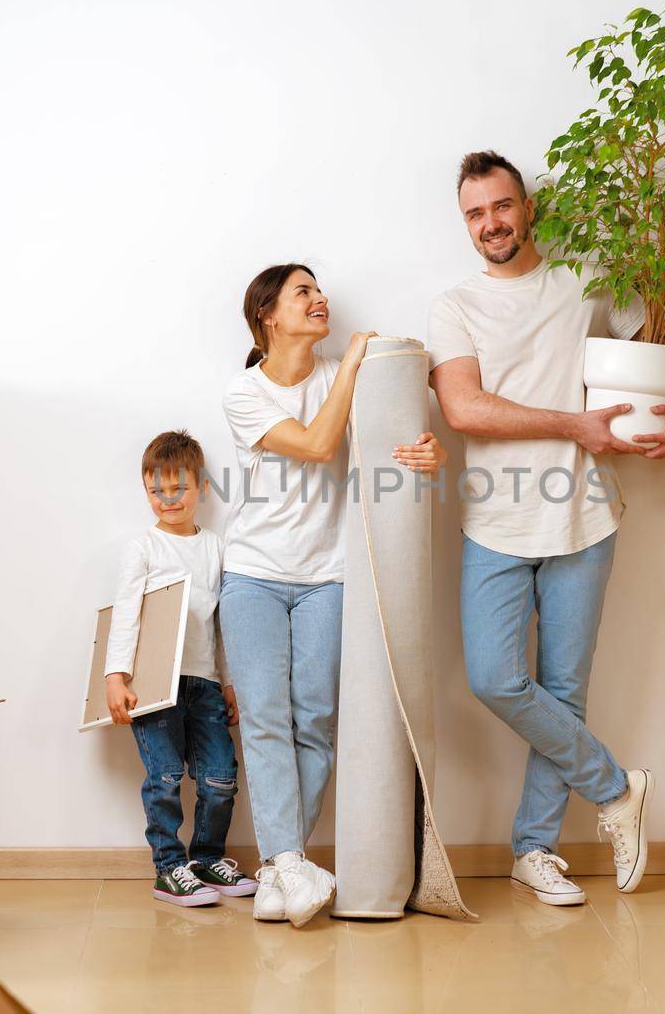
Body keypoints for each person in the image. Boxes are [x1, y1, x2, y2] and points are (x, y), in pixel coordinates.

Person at [426, 150, 665, 906]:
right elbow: (464, 408)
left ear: (528, 207)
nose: (492, 222)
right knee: (493, 678)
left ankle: (535, 849)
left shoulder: (585, 284)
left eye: (502, 205)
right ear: (467, 223)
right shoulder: (454, 305)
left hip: (586, 516)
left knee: (563, 691)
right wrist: (572, 424)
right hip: (495, 522)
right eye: (476, 213)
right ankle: (617, 790)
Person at [219, 263, 446, 927]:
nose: (320, 300)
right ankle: (289, 861)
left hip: (327, 577)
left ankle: (278, 871)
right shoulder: (244, 391)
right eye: (303, 292)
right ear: (268, 315)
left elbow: (386, 448)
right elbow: (318, 444)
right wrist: (351, 360)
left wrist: (429, 452)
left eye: (320, 291)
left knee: (314, 722)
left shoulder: (344, 379)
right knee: (265, 719)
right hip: (254, 574)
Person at [104, 430, 257, 907]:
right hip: (155, 685)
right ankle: (169, 868)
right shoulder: (143, 548)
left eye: (179, 488)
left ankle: (207, 857)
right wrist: (116, 676)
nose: (168, 500)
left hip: (204, 683)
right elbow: (126, 611)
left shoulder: (214, 547)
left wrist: (229, 682)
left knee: (220, 776)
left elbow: (221, 623)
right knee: (165, 776)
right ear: (146, 490)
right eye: (157, 491)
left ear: (201, 487)